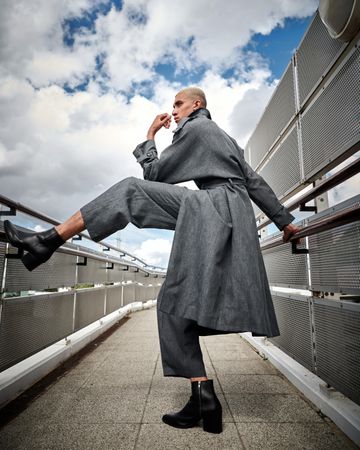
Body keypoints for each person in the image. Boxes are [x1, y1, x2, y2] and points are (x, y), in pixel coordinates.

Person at [4, 87, 302, 434]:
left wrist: (149, 136)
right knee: (175, 304)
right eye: (173, 106)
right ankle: (203, 397)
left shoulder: (197, 128)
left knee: (131, 189)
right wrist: (285, 220)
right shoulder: (224, 138)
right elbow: (253, 180)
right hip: (226, 210)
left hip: (212, 208)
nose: (173, 111)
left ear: (197, 105)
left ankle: (48, 239)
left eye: (178, 104)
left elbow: (155, 175)